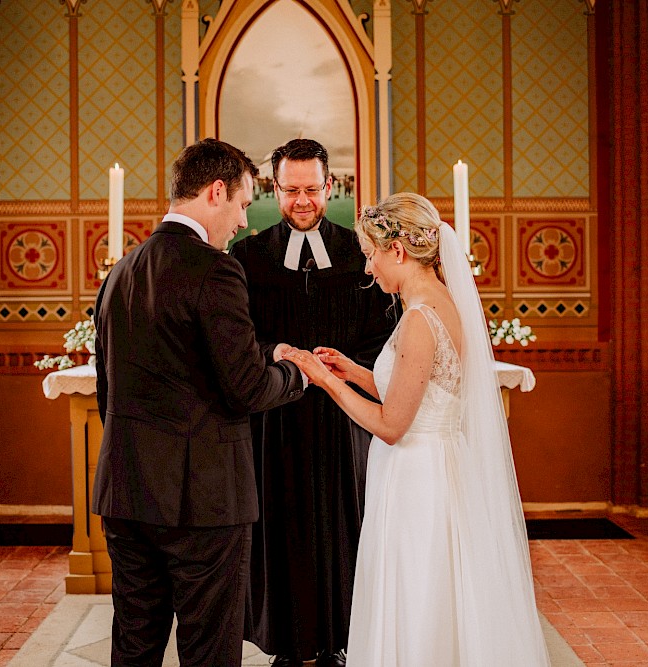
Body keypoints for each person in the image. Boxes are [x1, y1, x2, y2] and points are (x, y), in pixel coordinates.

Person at [284, 193, 551, 666]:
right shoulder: (440, 304)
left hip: (415, 478)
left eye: (370, 256)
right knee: (437, 589)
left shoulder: (417, 321)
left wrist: (324, 382)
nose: (368, 270)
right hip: (437, 465)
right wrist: (354, 372)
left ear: (398, 252)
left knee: (415, 590)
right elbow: (420, 391)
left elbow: (391, 425)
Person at [92, 138, 307, 667]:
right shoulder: (215, 269)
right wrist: (295, 373)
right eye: (241, 204)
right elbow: (247, 388)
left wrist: (262, 355)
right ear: (216, 192)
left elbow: (108, 388)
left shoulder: (121, 271)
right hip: (203, 501)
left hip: (127, 491)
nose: (241, 222)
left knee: (134, 644)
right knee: (208, 650)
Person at [229, 139, 397, 667]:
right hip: (274, 424)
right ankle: (287, 643)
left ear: (331, 187)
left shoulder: (358, 253)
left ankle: (341, 641)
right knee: (280, 533)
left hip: (344, 422)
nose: (302, 200)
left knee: (345, 529)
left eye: (312, 189)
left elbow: (385, 338)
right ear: (271, 190)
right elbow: (238, 337)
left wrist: (341, 370)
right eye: (290, 190)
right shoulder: (248, 256)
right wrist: (277, 363)